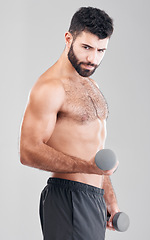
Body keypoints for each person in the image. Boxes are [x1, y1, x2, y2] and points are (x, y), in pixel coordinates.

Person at [20, 6, 120, 240]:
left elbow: (95, 152)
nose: (92, 58)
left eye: (100, 50)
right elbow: (28, 150)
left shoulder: (91, 86)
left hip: (93, 199)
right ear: (68, 38)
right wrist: (89, 168)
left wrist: (108, 196)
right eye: (86, 47)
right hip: (68, 197)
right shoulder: (50, 87)